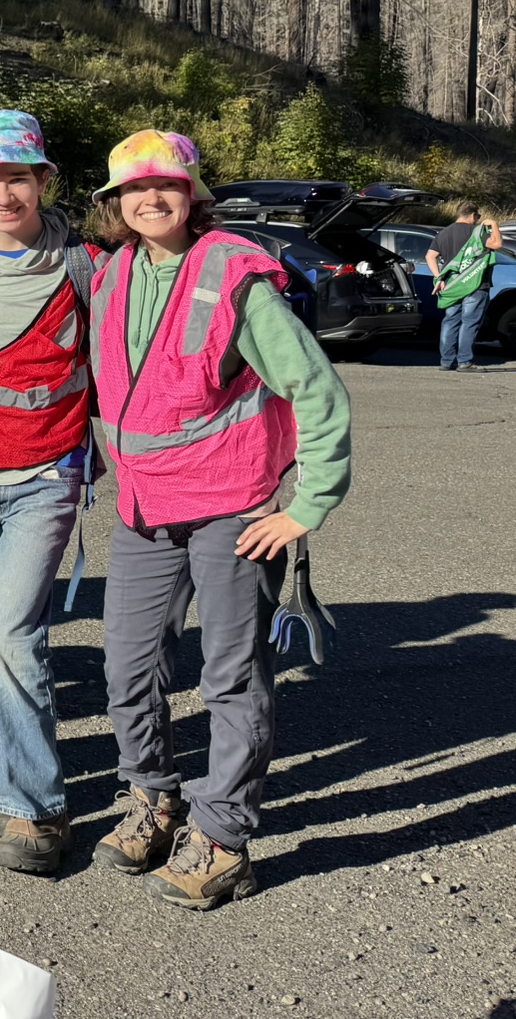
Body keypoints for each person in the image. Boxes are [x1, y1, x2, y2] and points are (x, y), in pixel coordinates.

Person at [85, 130, 351, 910]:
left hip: (232, 509)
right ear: (116, 204)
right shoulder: (112, 276)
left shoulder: (235, 277)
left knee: (229, 675)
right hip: (144, 509)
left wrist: (306, 506)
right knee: (127, 667)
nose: (151, 199)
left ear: (193, 194)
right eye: (134, 190)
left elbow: (316, 389)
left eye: (167, 185)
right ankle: (154, 799)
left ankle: (224, 835)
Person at [0, 112, 104, 876]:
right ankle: (8, 781)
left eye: (16, 178)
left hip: (46, 476)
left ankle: (39, 810)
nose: (1, 194)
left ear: (43, 181)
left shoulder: (88, 269)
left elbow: (133, 368)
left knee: (11, 640)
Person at [425, 201, 503, 371]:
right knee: (469, 322)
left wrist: (439, 277)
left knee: (450, 322)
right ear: (474, 215)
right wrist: (494, 224)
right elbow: (497, 244)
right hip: (476, 285)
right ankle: (465, 361)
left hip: (452, 286)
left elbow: (430, 256)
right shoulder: (477, 232)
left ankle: (446, 361)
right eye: (478, 217)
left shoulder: (443, 233)